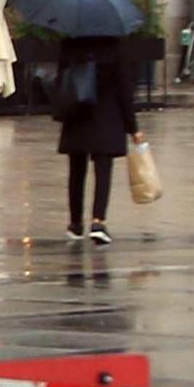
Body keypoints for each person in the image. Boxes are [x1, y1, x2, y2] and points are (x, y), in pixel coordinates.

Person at [52, 29, 141, 243]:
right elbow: (123, 88)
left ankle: (75, 223)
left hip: (77, 112)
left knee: (76, 170)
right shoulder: (114, 44)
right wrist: (133, 127)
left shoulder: (70, 41)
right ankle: (98, 221)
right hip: (106, 114)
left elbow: (61, 79)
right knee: (103, 169)